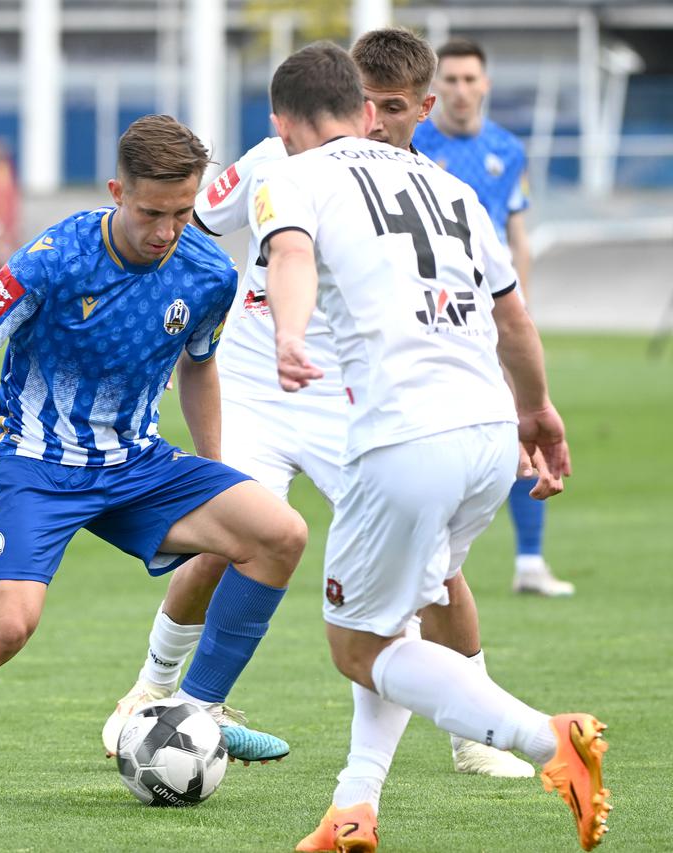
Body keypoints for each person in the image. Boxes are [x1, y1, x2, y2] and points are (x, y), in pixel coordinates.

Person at [103, 27, 536, 782]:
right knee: (225, 537)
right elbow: (193, 230)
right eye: (368, 101)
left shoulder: (422, 184)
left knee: (436, 570)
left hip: (353, 399)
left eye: (394, 107)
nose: (379, 117)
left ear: (418, 111)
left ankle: (476, 731)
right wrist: (181, 335)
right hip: (252, 383)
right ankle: (157, 690)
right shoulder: (271, 164)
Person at [0, 115, 307, 808]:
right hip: (37, 465)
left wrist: (219, 473)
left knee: (278, 532)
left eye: (183, 213)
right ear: (115, 192)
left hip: (139, 464)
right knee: (7, 623)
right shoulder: (56, 257)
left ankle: (198, 707)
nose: (166, 232)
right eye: (151, 213)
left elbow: (198, 366)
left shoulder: (208, 273)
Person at [250, 43, 608, 851]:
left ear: (282, 124)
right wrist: (540, 410)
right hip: (487, 433)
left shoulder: (294, 175)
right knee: (397, 613)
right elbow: (512, 318)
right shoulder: (450, 186)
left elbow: (293, 253)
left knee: (356, 644)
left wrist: (290, 332)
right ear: (366, 108)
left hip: (406, 436)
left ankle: (551, 741)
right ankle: (353, 808)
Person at [413, 39, 572, 597]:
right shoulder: (412, 144)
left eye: (469, 79)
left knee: (520, 423)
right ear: (433, 94)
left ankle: (530, 560)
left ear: (485, 85)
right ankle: (429, 554)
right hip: (433, 316)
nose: (460, 90)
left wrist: (519, 312)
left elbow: (516, 236)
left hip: (493, 315)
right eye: (449, 80)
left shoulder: (507, 149)